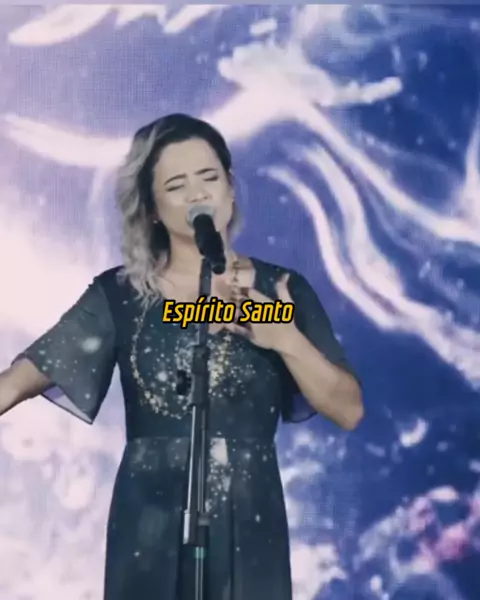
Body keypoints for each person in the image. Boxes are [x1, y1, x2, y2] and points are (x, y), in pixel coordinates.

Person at [0, 113, 363, 600]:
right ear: (152, 207)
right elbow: (19, 379)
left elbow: (349, 408)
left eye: (209, 177)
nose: (197, 194)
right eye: (176, 185)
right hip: (148, 525)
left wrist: (285, 338)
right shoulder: (122, 296)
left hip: (249, 522)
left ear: (230, 188)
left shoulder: (280, 290)